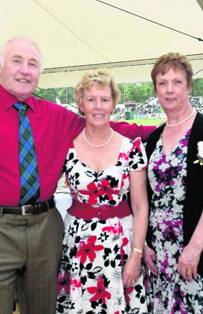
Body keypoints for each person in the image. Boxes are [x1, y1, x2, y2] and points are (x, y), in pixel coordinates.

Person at [0, 36, 154, 314]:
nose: (25, 69)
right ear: (0, 67)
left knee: (43, 308)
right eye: (17, 61)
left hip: (45, 228)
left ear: (39, 73)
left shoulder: (55, 115)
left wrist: (172, 128)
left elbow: (105, 128)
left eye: (32, 64)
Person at [143, 52, 203, 313]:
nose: (169, 90)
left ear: (189, 86)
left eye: (177, 82)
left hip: (196, 254)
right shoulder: (154, 139)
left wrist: (194, 249)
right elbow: (145, 196)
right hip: (160, 256)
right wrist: (146, 244)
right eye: (162, 83)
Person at [56, 69, 150, 313]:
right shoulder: (66, 147)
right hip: (78, 246)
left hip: (122, 244)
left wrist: (136, 254)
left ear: (114, 103)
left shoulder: (132, 149)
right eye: (91, 99)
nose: (98, 106)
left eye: (104, 99)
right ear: (80, 104)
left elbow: (140, 206)